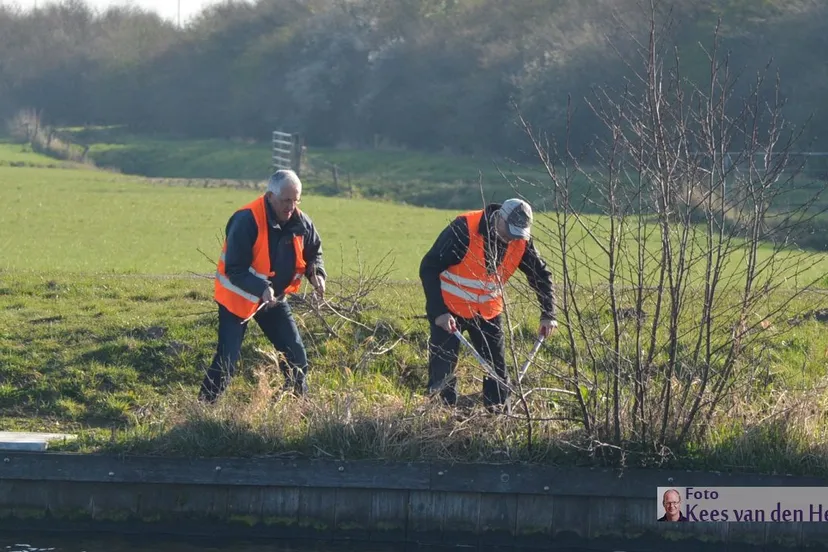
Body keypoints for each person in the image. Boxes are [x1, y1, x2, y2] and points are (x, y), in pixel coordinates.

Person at [198, 169, 326, 403]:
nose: (291, 207)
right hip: (237, 299)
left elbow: (313, 251)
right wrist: (261, 288)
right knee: (226, 362)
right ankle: (202, 410)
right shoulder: (246, 220)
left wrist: (316, 273)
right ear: (270, 196)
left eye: (296, 200)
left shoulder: (300, 221)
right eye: (286, 200)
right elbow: (234, 269)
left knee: (297, 358)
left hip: (273, 300)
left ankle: (295, 410)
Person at [419, 198, 558, 410]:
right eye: (508, 231)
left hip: (488, 312)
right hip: (449, 309)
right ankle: (440, 418)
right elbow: (429, 267)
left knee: (497, 370)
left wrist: (549, 313)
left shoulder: (520, 239)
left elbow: (541, 275)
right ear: (499, 217)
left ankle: (499, 418)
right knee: (442, 368)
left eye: (517, 234)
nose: (510, 238)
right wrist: (439, 312)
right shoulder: (464, 228)